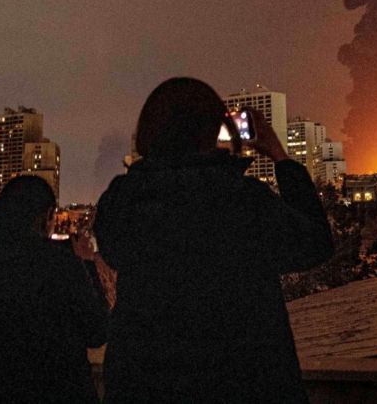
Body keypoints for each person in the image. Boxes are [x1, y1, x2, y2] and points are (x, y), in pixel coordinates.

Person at [94, 77, 333, 403]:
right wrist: (279, 154)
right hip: (244, 383)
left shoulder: (121, 204)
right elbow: (315, 244)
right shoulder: (244, 201)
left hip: (144, 386)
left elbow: (113, 250)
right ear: (213, 129)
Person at [0, 175, 108, 404]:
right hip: (62, 392)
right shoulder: (61, 266)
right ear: (46, 218)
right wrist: (88, 265)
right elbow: (98, 331)